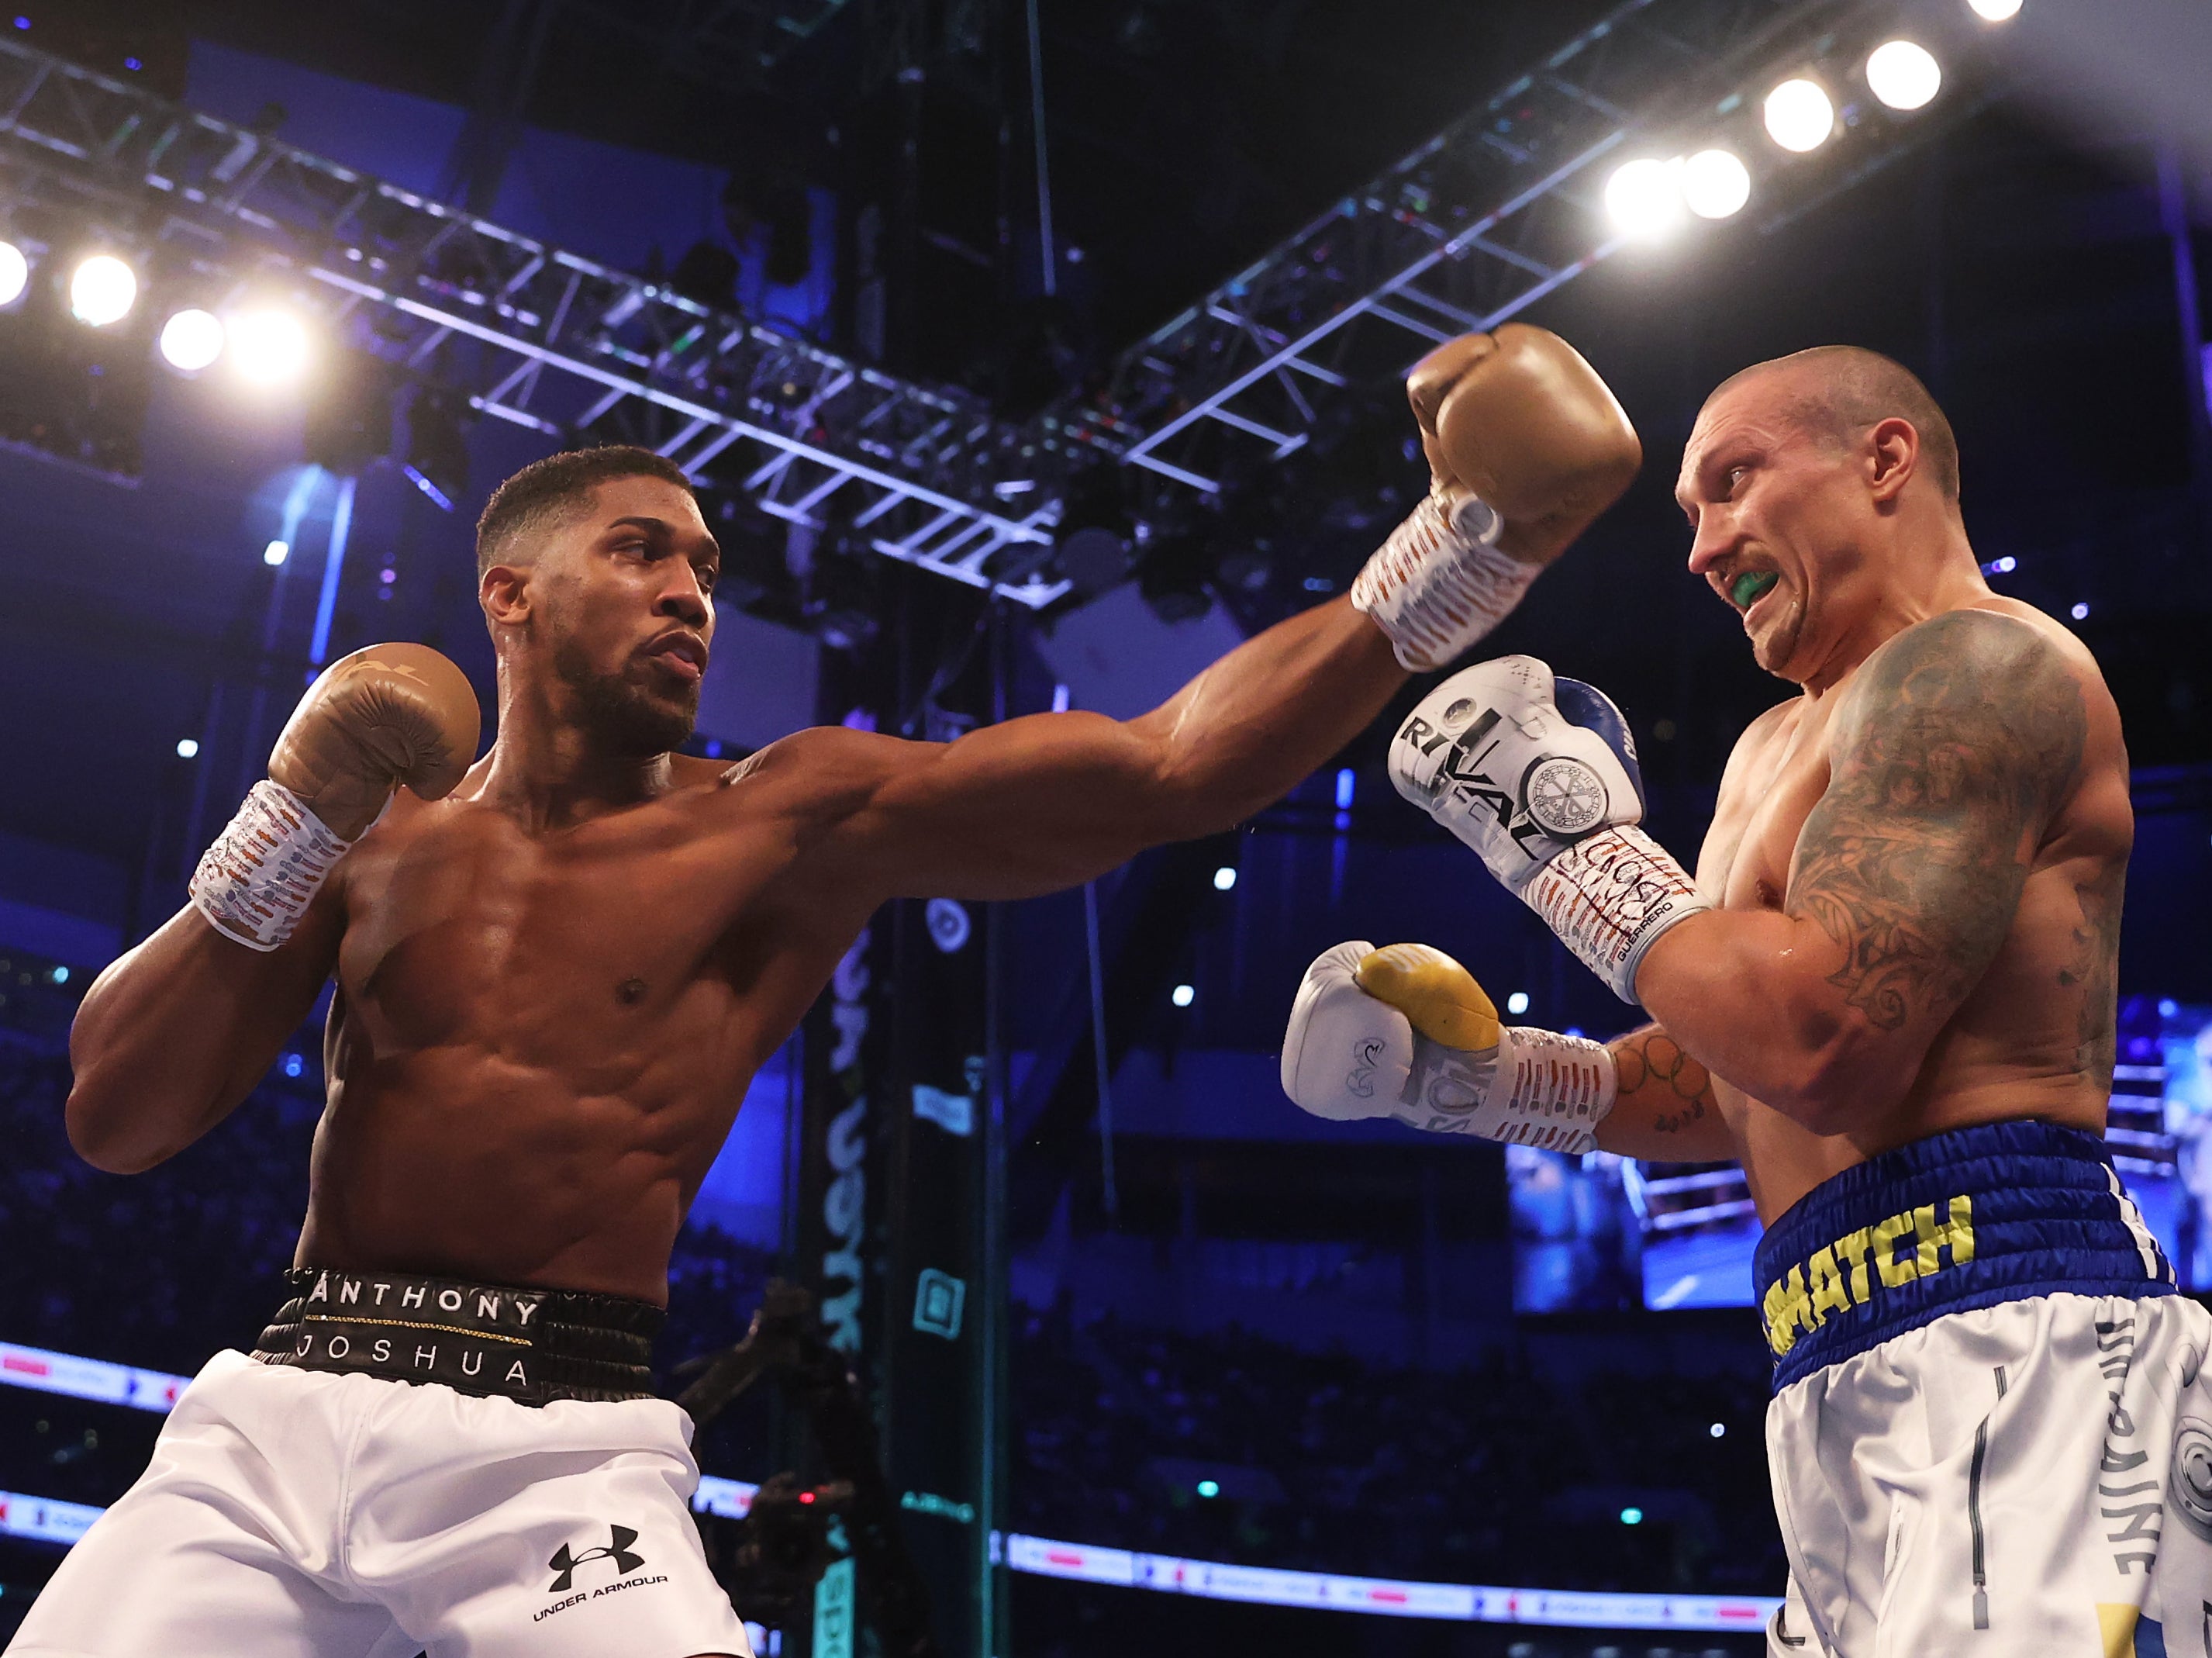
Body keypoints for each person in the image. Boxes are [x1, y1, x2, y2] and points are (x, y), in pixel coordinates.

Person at [15, 325, 1638, 1658]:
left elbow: (1167, 769)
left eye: (706, 566)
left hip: (552, 1450)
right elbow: (118, 1111)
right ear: (506, 593)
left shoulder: (782, 819)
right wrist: (289, 812)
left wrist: (1456, 543)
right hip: (281, 1411)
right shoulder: (368, 835)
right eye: (639, 552)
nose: (691, 593)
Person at [1282, 347, 2200, 1656]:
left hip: (2022, 1335)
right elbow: (1741, 1079)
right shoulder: (1770, 749)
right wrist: (1490, 1081)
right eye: (1690, 513)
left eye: (1731, 483)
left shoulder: (1980, 672)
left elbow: (1828, 1045)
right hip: (1824, 1363)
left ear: (1883, 461)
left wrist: (1564, 847)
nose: (1704, 549)